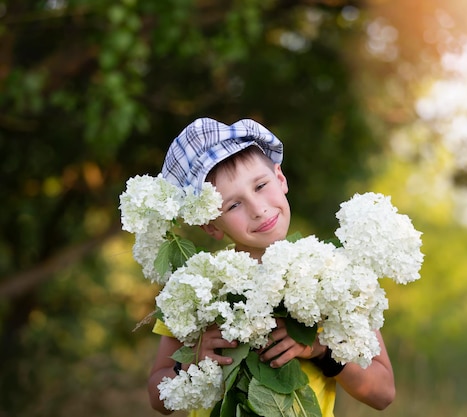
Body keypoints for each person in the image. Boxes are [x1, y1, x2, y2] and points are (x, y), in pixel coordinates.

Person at [147, 117, 395, 416]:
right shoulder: (198, 287)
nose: (258, 208)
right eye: (233, 205)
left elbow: (382, 392)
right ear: (211, 225)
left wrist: (321, 349)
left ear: (280, 178)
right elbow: (158, 399)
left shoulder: (334, 274)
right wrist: (190, 361)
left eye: (261, 186)